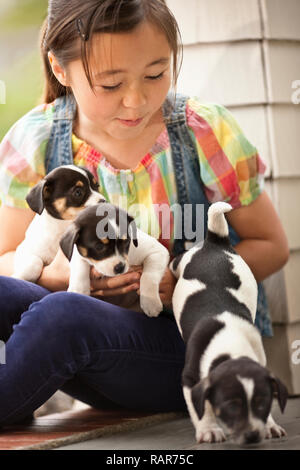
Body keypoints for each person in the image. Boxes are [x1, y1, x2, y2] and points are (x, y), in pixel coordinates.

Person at [0, 0, 289, 426]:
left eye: (156, 73)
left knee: (62, 314)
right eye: (110, 83)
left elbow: (272, 247)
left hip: (189, 351)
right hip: (84, 350)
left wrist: (185, 280)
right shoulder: (36, 139)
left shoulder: (201, 132)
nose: (136, 99)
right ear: (62, 72)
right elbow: (8, 259)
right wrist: (66, 277)